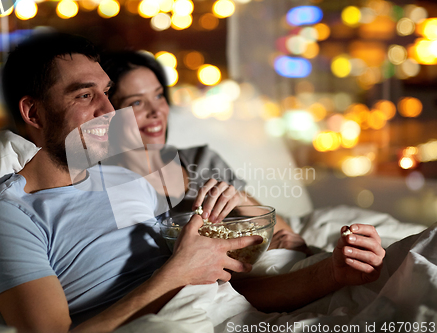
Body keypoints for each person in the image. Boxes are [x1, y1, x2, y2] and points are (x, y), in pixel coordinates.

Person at [0, 32, 385, 333]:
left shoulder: (124, 178)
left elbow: (227, 285)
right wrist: (180, 268)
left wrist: (332, 273)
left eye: (108, 94)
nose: (110, 112)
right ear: (33, 114)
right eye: (83, 96)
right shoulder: (8, 215)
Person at [101, 51, 309, 253]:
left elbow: (287, 238)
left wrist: (241, 198)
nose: (156, 112)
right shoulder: (108, 187)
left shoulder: (201, 160)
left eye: (158, 95)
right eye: (136, 102)